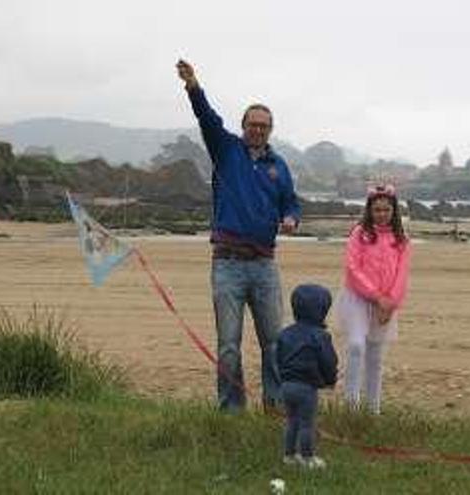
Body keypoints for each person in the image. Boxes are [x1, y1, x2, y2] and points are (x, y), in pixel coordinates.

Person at [176, 59, 301, 411]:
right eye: (253, 124)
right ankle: (231, 409)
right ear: (243, 126)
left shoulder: (279, 166)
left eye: (264, 126)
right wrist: (193, 85)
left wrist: (292, 219)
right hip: (227, 265)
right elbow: (206, 117)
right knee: (228, 345)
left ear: (271, 129)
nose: (258, 130)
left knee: (274, 342)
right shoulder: (226, 149)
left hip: (264, 265)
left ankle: (274, 406)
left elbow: (291, 203)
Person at [336, 184, 412, 414]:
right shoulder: (360, 234)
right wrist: (375, 295)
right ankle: (351, 405)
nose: (381, 214)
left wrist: (390, 302)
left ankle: (373, 409)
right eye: (377, 210)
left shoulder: (401, 239)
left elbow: (402, 274)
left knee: (376, 356)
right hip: (358, 298)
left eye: (386, 210)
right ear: (369, 210)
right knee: (357, 345)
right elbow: (352, 268)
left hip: (386, 304)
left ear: (393, 211)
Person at [276, 284, 338, 469]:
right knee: (306, 423)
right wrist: (329, 380)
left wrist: (283, 379)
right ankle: (307, 457)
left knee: (291, 420)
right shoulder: (321, 336)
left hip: (286, 386)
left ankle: (289, 455)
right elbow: (328, 361)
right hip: (306, 388)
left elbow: (277, 358)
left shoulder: (284, 334)